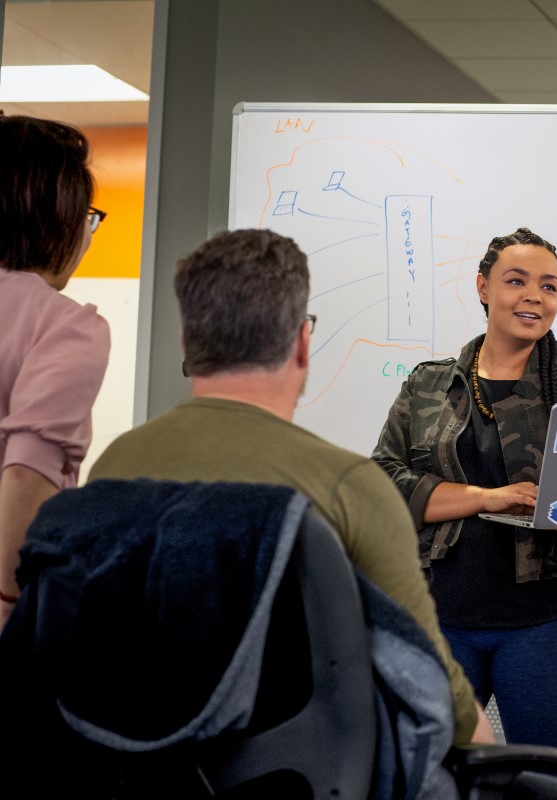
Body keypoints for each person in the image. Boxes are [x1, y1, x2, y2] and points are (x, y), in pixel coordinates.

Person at [88, 228, 489, 747]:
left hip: (135, 764)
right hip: (292, 773)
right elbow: (430, 682)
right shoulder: (350, 489)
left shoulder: (114, 467)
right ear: (302, 342)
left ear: (188, 341)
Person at [372, 227, 557, 759]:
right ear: (482, 288)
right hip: (440, 618)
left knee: (542, 782)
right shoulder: (427, 385)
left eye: (550, 286)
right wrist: (488, 496)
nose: (534, 296)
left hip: (555, 625)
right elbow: (382, 483)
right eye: (516, 281)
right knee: (426, 777)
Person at [0, 115, 111, 630]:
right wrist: (10, 608)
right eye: (88, 218)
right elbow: (26, 476)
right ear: (59, 218)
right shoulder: (65, 326)